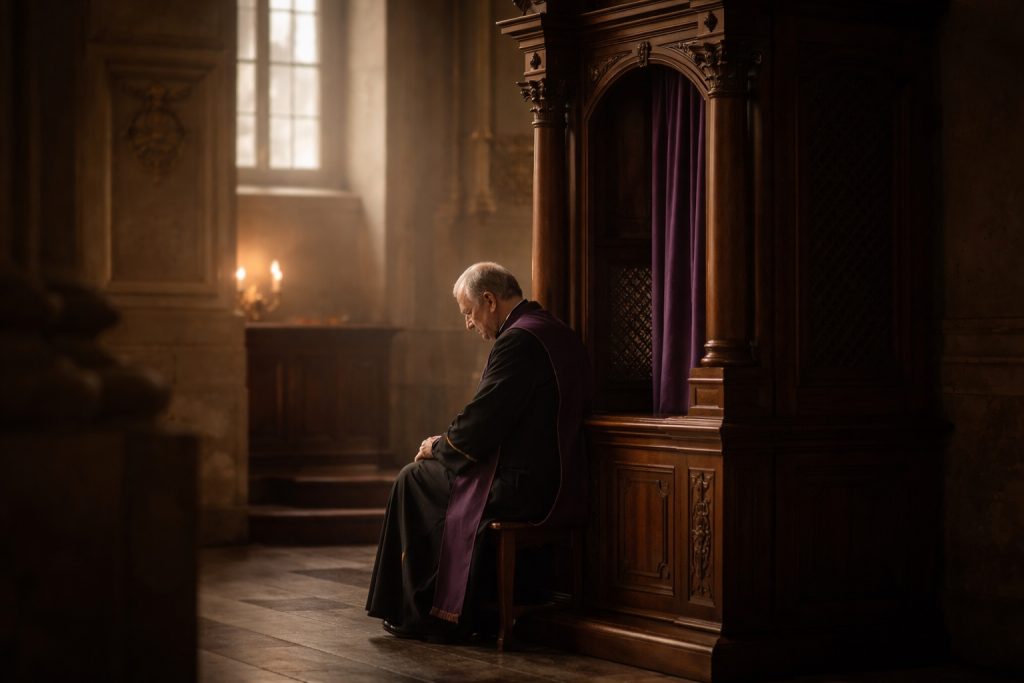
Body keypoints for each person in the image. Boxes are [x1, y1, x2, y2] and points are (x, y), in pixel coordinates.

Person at [365, 262, 589, 641]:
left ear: (489, 300)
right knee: (431, 479)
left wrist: (438, 446)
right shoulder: (551, 329)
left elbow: (483, 421)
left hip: (525, 486)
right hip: (564, 473)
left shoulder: (518, 340)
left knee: (413, 478)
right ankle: (464, 604)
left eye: (468, 312)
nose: (468, 324)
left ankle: (424, 612)